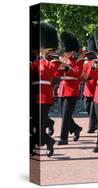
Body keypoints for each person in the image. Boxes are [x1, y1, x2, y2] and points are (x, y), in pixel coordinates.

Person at [30, 22, 60, 157]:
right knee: (35, 124)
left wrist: (45, 58)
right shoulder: (36, 62)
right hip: (34, 95)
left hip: (45, 96)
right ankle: (43, 142)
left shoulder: (53, 61)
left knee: (40, 125)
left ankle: (48, 141)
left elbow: (50, 73)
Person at [57, 31, 84, 145]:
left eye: (68, 51)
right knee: (64, 115)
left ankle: (64, 138)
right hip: (62, 89)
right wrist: (58, 67)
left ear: (73, 50)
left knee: (66, 115)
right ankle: (76, 128)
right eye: (66, 51)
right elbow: (56, 75)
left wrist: (66, 67)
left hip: (72, 90)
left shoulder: (79, 60)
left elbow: (77, 73)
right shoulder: (63, 58)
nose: (67, 53)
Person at [81, 37, 98, 133]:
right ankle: (97, 122)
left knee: (92, 108)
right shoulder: (86, 62)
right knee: (87, 106)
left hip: (96, 87)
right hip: (88, 87)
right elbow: (83, 73)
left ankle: (92, 126)